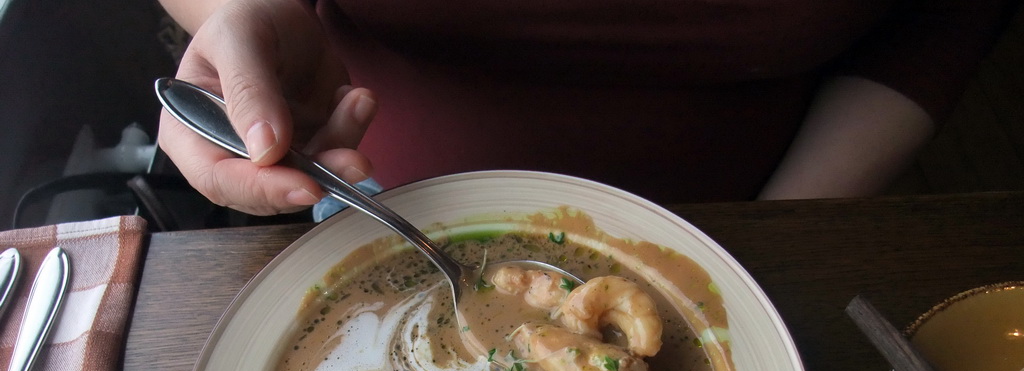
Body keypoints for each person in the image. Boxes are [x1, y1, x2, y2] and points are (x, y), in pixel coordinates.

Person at [157, 0, 1018, 216]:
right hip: (380, 191)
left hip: (773, 204)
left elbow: (938, 20)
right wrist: (245, 14)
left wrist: (786, 233)